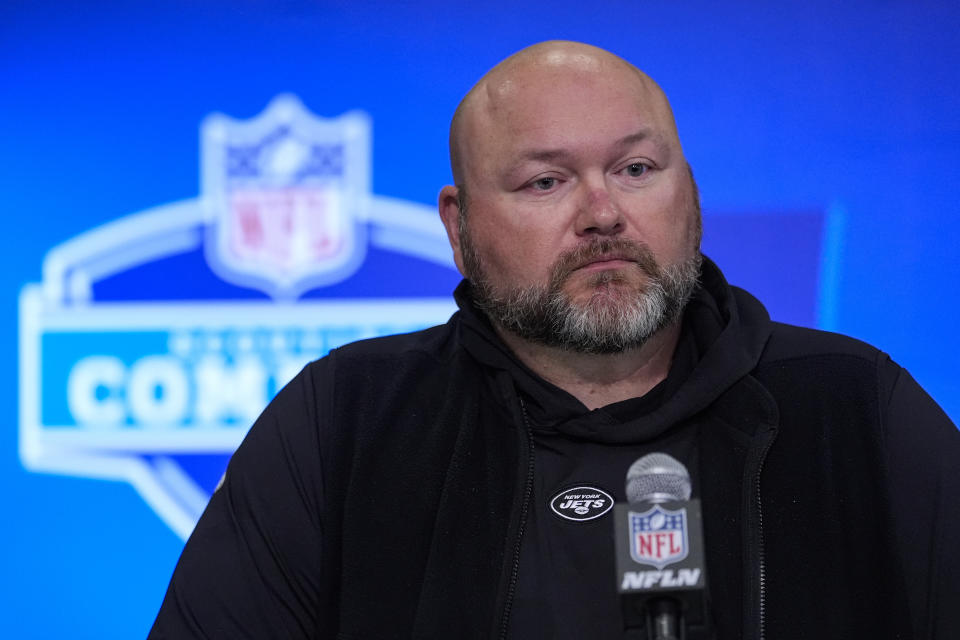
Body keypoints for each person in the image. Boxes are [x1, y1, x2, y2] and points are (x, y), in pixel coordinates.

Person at [149, 41, 960, 639]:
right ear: (459, 229)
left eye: (638, 169)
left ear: (692, 194)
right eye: (546, 181)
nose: (604, 212)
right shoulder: (344, 423)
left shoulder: (855, 408)